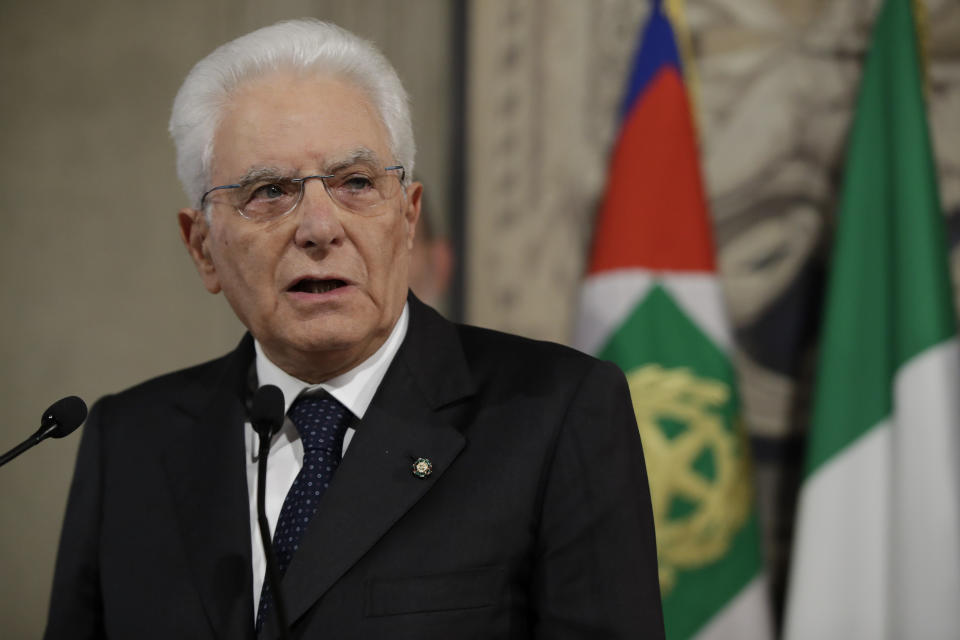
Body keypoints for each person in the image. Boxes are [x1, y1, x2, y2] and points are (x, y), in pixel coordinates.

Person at [44, 19, 663, 640]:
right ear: (202, 247)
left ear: (409, 216)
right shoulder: (129, 441)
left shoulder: (554, 412)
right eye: (269, 191)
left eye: (357, 183)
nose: (320, 227)